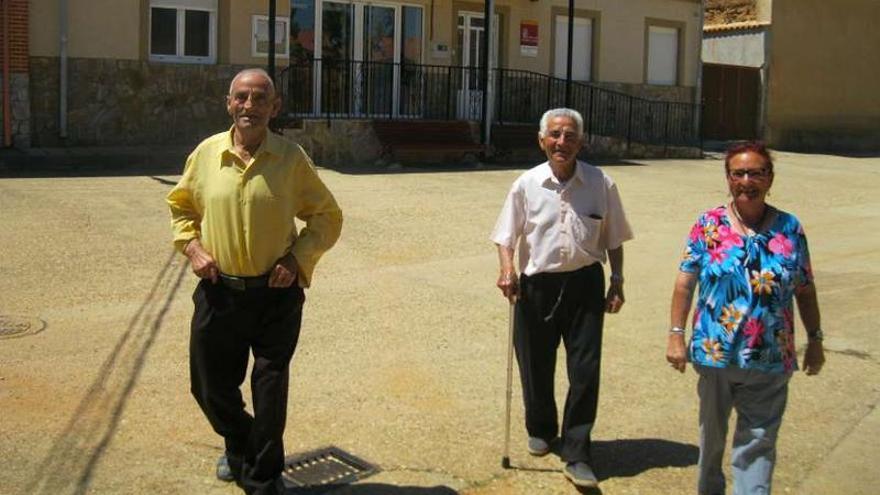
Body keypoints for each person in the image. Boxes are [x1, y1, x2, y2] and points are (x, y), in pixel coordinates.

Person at [166, 68, 343, 495]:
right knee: (209, 386)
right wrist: (192, 248)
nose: (250, 106)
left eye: (260, 98)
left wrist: (298, 259)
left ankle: (263, 480)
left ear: (274, 107)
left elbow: (326, 217)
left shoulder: (291, 159)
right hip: (219, 293)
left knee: (269, 391)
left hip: (275, 296)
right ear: (229, 104)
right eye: (242, 98)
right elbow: (181, 207)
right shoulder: (206, 155)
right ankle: (241, 444)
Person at [666, 141, 825, 494]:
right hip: (715, 354)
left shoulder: (790, 228)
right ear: (728, 178)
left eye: (756, 172)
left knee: (758, 445)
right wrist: (676, 334)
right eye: (738, 173)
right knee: (712, 440)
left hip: (769, 357)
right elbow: (684, 283)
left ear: (770, 178)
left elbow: (805, 289)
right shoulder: (709, 224)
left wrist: (815, 340)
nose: (747, 180)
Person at [490, 108, 633, 488]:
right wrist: (507, 270)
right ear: (542, 141)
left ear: (580, 142)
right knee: (535, 364)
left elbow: (614, 237)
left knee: (585, 370)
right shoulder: (526, 184)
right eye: (554, 135)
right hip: (536, 285)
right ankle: (540, 427)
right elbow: (506, 236)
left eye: (570, 136)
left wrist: (616, 280)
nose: (562, 142)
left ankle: (577, 449)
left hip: (585, 285)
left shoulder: (601, 183)